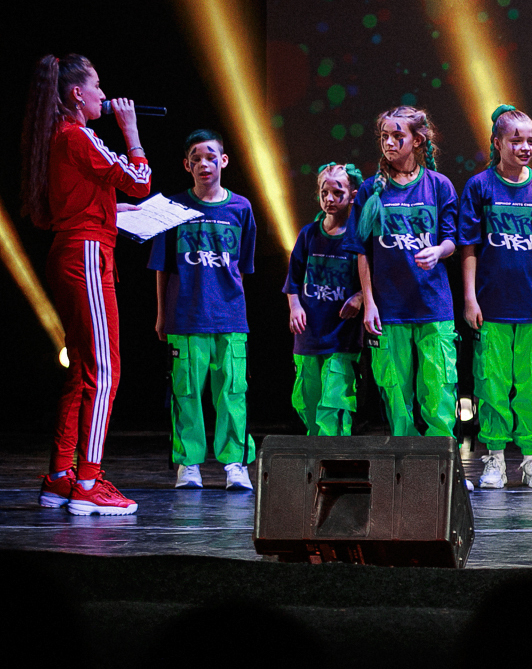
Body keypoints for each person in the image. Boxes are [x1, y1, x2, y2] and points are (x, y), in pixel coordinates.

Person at [21, 54, 150, 516]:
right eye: (97, 86)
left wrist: (113, 211)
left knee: (82, 369)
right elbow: (139, 180)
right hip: (87, 255)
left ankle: (61, 477)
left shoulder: (61, 136)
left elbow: (82, 198)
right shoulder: (78, 135)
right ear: (77, 93)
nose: (103, 95)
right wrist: (131, 132)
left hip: (76, 249)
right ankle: (89, 482)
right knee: (106, 370)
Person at [458, 106, 532, 489]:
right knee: (492, 384)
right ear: (497, 143)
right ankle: (495, 458)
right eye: (516, 140)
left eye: (530, 140)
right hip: (493, 307)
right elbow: (469, 247)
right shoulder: (479, 187)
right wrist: (470, 298)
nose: (525, 147)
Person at [149, 129, 258, 490]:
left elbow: (242, 267)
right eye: (196, 158)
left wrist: (235, 309)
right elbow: (163, 267)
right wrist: (162, 315)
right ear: (187, 165)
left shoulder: (241, 208)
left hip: (229, 318)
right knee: (186, 392)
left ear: (223, 161)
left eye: (210, 157)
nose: (203, 164)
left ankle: (235, 464)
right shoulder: (174, 208)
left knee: (233, 392)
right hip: (185, 317)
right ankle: (189, 464)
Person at [346, 106, 459, 438]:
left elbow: (451, 240)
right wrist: (369, 303)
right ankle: (404, 457)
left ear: (417, 140)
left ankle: (441, 456)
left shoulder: (439, 186)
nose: (389, 143)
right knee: (395, 390)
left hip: (433, 304)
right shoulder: (371, 190)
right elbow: (362, 251)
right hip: (390, 308)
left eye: (398, 136)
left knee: (439, 385)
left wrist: (438, 251)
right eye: (385, 136)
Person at [284, 163, 365, 436]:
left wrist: (359, 297)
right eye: (324, 192)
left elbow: (372, 280)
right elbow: (293, 280)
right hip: (308, 336)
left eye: (337, 193)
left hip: (341, 337)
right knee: (307, 402)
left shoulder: (358, 237)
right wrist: (295, 306)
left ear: (352, 195)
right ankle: (315, 454)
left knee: (335, 403)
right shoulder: (308, 234)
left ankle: (335, 456)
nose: (329, 199)